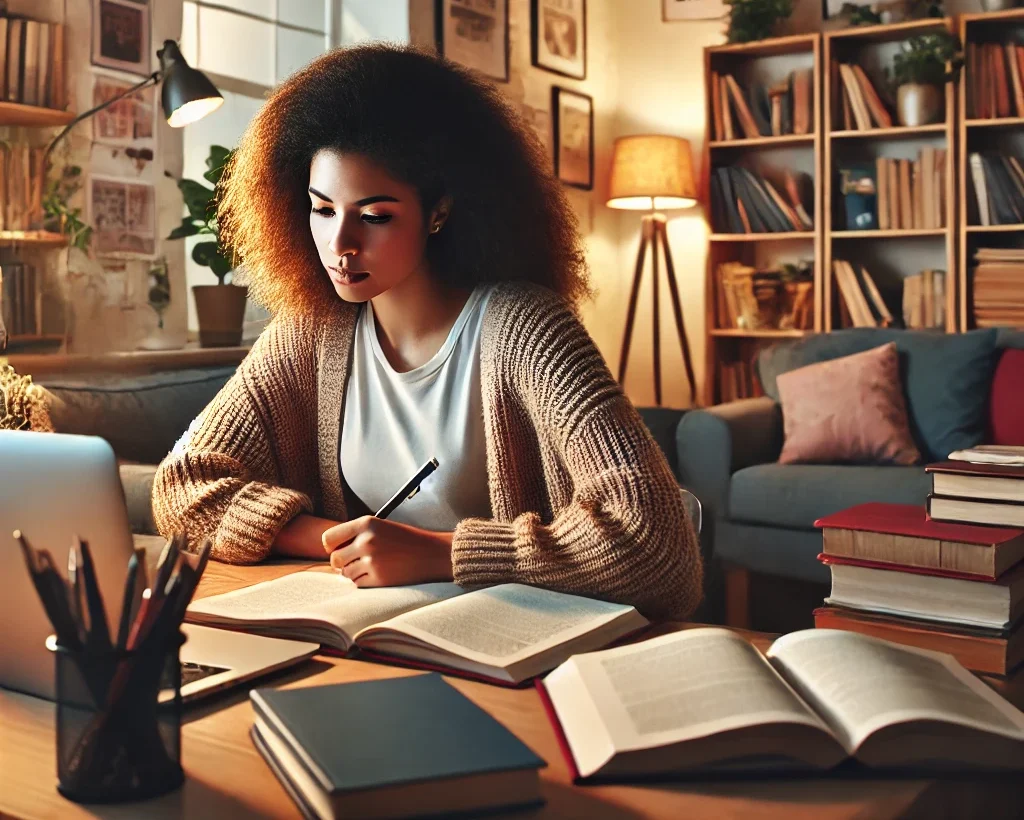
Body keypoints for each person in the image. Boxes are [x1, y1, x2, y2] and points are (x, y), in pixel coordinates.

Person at [152, 44, 702, 621]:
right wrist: (341, 542)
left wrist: (442, 554)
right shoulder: (313, 333)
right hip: (380, 640)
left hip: (520, 647)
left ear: (438, 211)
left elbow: (658, 548)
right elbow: (184, 485)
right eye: (321, 209)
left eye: (374, 216)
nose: (340, 245)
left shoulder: (525, 329)